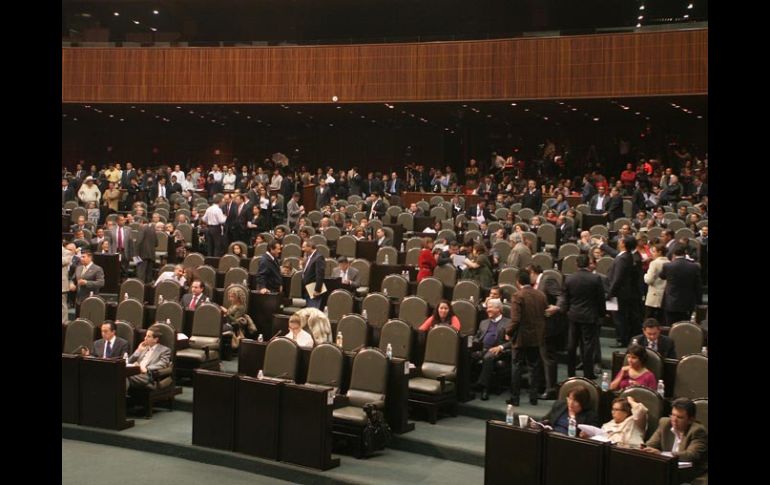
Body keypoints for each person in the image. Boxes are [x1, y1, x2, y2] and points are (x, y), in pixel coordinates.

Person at [552, 254, 607, 381]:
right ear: (588, 264)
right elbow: (600, 299)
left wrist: (565, 312)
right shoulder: (595, 278)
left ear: (576, 264)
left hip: (573, 315)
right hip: (589, 316)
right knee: (588, 346)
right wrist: (602, 314)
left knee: (572, 345)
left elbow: (565, 298)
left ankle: (571, 372)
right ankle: (588, 374)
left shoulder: (569, 279)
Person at [643, 398, 708, 484]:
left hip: (690, 472)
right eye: (673, 415)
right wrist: (646, 449)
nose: (674, 420)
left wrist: (662, 455)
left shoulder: (698, 431)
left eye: (680, 417)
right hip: (667, 469)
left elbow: (691, 455)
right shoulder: (665, 423)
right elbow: (650, 445)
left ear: (690, 420)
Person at [506, 269, 546, 406]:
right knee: (534, 367)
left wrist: (508, 332)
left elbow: (515, 320)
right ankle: (533, 398)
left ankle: (515, 398)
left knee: (516, 366)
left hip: (521, 338)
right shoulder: (541, 295)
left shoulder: (518, 296)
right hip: (536, 337)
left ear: (518, 282)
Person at [472, 299, 511, 401]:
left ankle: (484, 388)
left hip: (499, 350)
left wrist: (501, 347)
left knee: (488, 357)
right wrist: (475, 343)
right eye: (487, 307)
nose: (487, 310)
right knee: (467, 355)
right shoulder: (483, 322)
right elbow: (477, 337)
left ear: (498, 309)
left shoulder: (508, 323)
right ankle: (467, 386)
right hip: (482, 349)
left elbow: (513, 341)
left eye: (490, 307)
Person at [659, 243, 702, 325]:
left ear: (673, 253)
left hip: (671, 303)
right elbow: (698, 286)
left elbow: (662, 276)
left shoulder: (667, 266)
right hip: (687, 303)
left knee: (671, 326)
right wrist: (699, 302)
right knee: (685, 326)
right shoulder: (694, 266)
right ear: (685, 253)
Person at [221, 285, 256, 349]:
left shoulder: (241, 307)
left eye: (232, 297)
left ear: (238, 297)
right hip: (228, 322)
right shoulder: (233, 304)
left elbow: (235, 320)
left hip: (234, 326)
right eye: (230, 296)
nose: (230, 299)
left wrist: (226, 313)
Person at [301, 241, 325, 309]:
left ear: (310, 247)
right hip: (307, 288)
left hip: (313, 289)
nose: (302, 249)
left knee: (312, 312)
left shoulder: (318, 257)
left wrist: (317, 289)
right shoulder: (309, 256)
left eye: (304, 247)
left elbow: (320, 275)